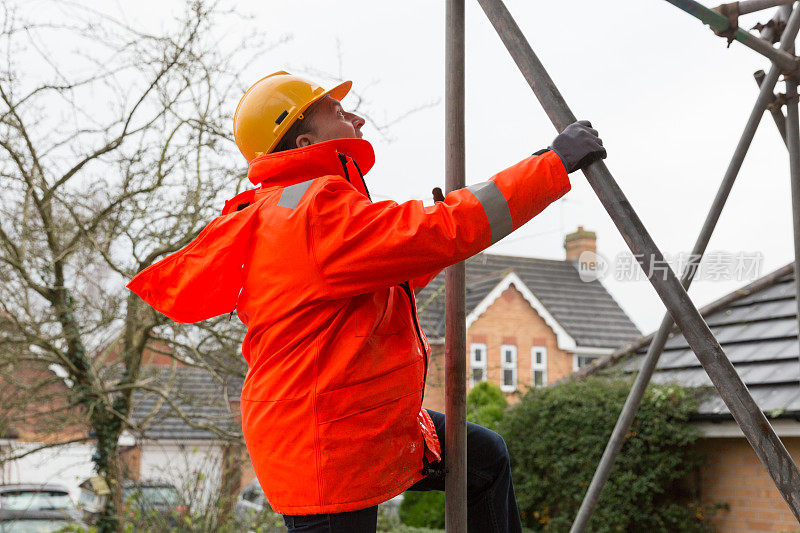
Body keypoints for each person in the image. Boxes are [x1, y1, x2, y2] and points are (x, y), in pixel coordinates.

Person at [127, 71, 605, 532]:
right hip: (327, 443)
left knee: (482, 459)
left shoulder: (287, 210)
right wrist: (551, 163)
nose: (356, 118)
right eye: (337, 111)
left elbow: (379, 282)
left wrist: (433, 244)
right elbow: (438, 231)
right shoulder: (313, 209)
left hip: (347, 425)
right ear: (304, 144)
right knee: (480, 460)